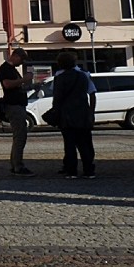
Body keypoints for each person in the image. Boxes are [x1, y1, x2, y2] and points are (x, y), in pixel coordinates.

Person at [52, 50, 96, 179]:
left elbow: (57, 98)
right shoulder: (83, 76)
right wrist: (91, 112)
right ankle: (89, 170)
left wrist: (56, 111)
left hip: (67, 115)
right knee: (85, 144)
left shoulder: (59, 78)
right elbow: (92, 94)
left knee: (69, 144)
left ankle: (71, 171)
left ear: (61, 64)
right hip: (82, 113)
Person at [0, 48, 34, 176]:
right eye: (22, 59)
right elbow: (7, 84)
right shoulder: (5, 69)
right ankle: (18, 166)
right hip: (13, 105)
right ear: (15, 56)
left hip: (17, 104)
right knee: (20, 135)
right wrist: (24, 79)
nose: (22, 63)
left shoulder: (11, 69)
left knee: (19, 136)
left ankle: (16, 164)